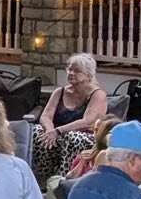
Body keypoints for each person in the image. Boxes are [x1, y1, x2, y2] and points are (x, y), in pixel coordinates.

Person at [31, 52, 106, 180]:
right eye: (69, 69)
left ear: (88, 74)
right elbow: (46, 116)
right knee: (38, 131)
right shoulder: (59, 92)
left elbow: (86, 122)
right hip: (58, 134)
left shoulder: (97, 95)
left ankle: (64, 178)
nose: (71, 73)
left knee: (72, 137)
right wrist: (49, 131)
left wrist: (58, 131)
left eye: (77, 71)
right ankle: (41, 177)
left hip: (85, 137)